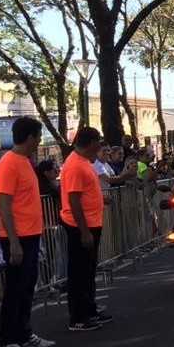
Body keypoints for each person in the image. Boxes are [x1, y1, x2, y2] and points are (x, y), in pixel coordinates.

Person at [0, 117, 57, 347]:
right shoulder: (8, 163)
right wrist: (13, 241)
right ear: (30, 137)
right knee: (15, 288)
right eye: (38, 136)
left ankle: (24, 333)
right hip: (17, 236)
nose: (39, 141)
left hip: (31, 234)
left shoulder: (26, 162)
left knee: (28, 286)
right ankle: (6, 341)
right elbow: (3, 203)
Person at [60, 127, 113, 331]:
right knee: (79, 273)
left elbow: (85, 193)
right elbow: (73, 199)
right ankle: (78, 317)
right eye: (98, 142)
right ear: (90, 143)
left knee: (88, 271)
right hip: (80, 226)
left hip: (91, 222)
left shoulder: (84, 163)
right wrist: (84, 231)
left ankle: (89, 309)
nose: (100, 146)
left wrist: (100, 199)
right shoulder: (74, 165)